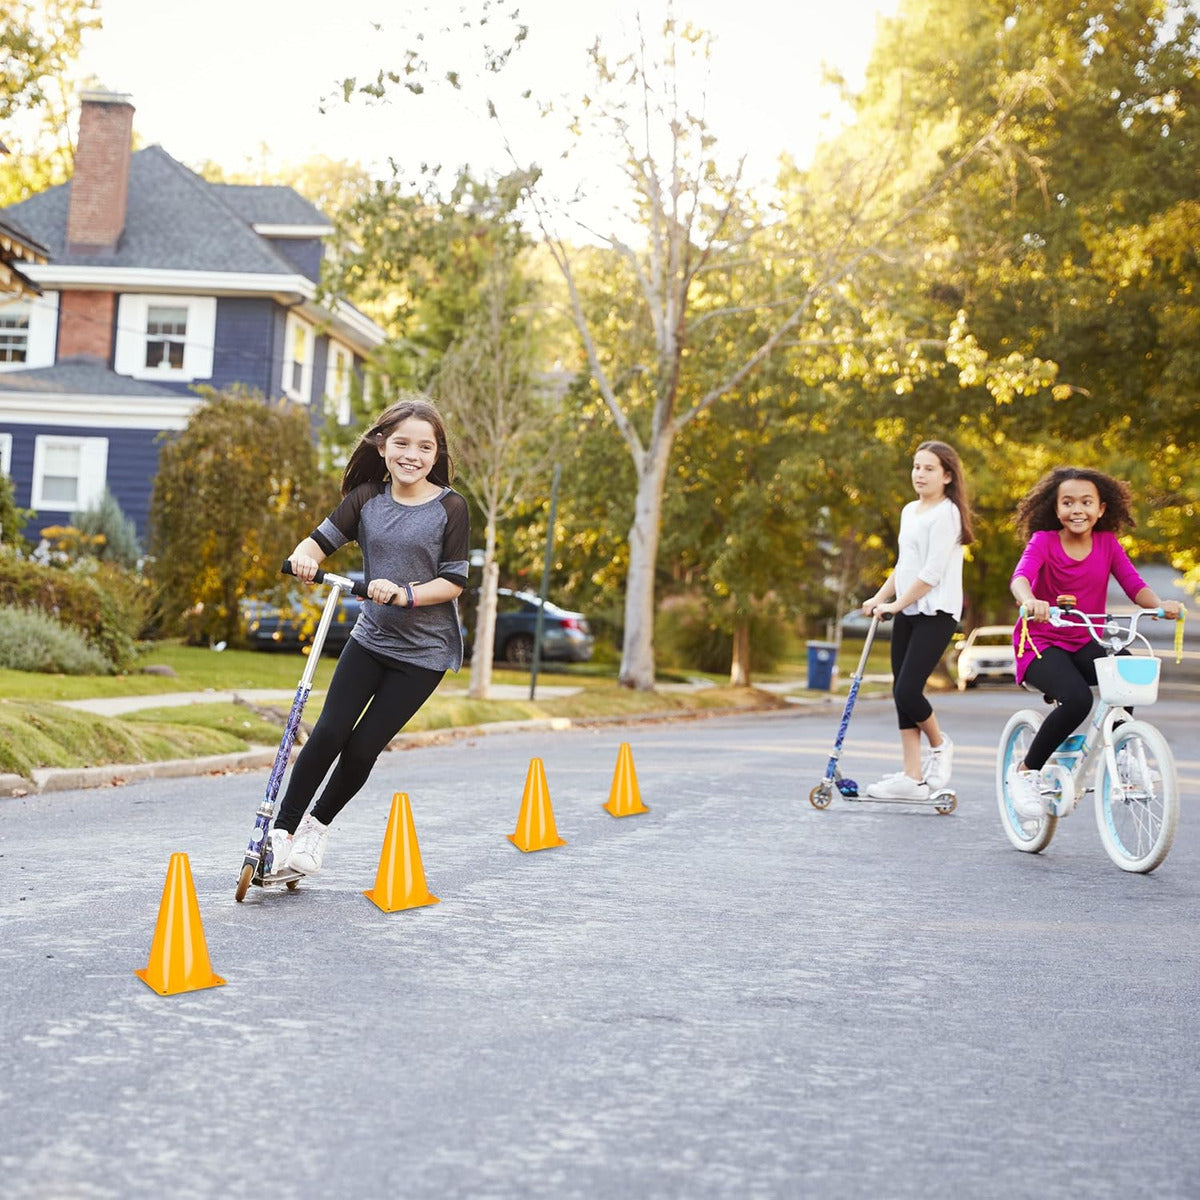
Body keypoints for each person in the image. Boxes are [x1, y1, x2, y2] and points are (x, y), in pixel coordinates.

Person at [267, 396, 469, 876]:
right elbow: (316, 543)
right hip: (371, 638)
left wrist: (405, 593)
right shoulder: (365, 499)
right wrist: (305, 560)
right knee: (329, 732)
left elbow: (454, 581)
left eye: (425, 447)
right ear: (382, 446)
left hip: (424, 653)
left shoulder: (451, 507)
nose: (412, 455)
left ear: (436, 454)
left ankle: (315, 829)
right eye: (402, 443)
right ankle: (281, 833)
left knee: (362, 747)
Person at [1006, 466, 1181, 818]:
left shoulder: (1107, 544)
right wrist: (1030, 600)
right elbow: (1020, 577)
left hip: (1084, 638)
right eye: (1068, 502)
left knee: (1126, 668)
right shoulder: (1043, 541)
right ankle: (1025, 772)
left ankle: (1123, 754)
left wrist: (1159, 606)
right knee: (1078, 700)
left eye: (1086, 502)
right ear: (1056, 508)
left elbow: (1134, 586)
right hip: (1040, 641)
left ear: (1101, 509)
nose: (1077, 510)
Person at [861, 440, 973, 800]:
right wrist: (880, 598)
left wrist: (895, 605)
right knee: (901, 694)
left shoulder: (948, 514)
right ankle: (912, 777)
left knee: (908, 690)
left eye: (928, 468)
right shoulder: (910, 511)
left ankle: (940, 745)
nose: (919, 474)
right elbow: (905, 565)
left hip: (936, 613)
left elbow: (931, 574)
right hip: (908, 611)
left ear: (947, 476)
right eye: (916, 467)